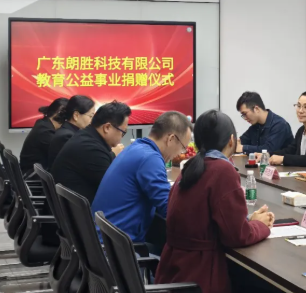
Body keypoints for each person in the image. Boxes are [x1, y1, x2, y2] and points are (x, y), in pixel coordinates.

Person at [156, 110, 274, 293]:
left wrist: (248, 220)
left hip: (174, 270)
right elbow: (237, 236)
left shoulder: (191, 166)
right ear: (231, 140)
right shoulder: (222, 170)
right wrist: (260, 225)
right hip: (200, 277)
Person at [92, 111, 192, 245]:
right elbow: (170, 209)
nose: (180, 153)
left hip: (104, 240)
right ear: (171, 139)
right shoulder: (150, 158)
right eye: (182, 147)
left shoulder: (136, 147)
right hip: (116, 247)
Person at [51, 101, 130, 204]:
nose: (121, 137)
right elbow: (117, 189)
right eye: (123, 132)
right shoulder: (91, 149)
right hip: (80, 211)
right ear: (107, 127)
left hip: (73, 206)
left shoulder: (86, 136)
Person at [20, 98, 68, 175]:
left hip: (32, 171)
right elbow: (63, 155)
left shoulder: (42, 124)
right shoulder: (46, 133)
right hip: (34, 175)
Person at [47, 95, 95, 169]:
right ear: (76, 115)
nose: (92, 121)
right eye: (90, 116)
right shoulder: (67, 136)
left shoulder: (69, 131)